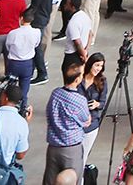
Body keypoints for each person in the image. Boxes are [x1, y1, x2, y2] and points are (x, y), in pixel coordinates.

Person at [44, 54, 93, 182]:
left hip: (53, 147)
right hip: (71, 149)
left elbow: (49, 113)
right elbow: (86, 120)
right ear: (77, 80)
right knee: (71, 180)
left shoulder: (55, 94)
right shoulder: (80, 100)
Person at [3, 14, 42, 110]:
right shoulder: (36, 32)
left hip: (13, 62)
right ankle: (22, 108)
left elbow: (8, 46)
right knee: (24, 88)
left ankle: (8, 106)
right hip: (27, 63)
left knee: (10, 87)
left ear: (21, 19)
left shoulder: (13, 33)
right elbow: (36, 44)